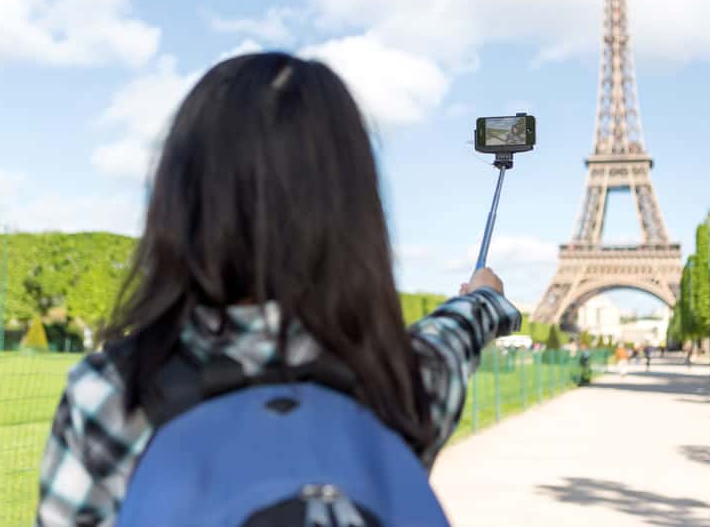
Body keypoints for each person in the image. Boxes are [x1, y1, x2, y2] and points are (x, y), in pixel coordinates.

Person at [34, 53, 521, 525]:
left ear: (179, 198)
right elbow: (455, 333)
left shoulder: (110, 394)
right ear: (356, 209)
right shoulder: (405, 381)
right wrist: (483, 297)